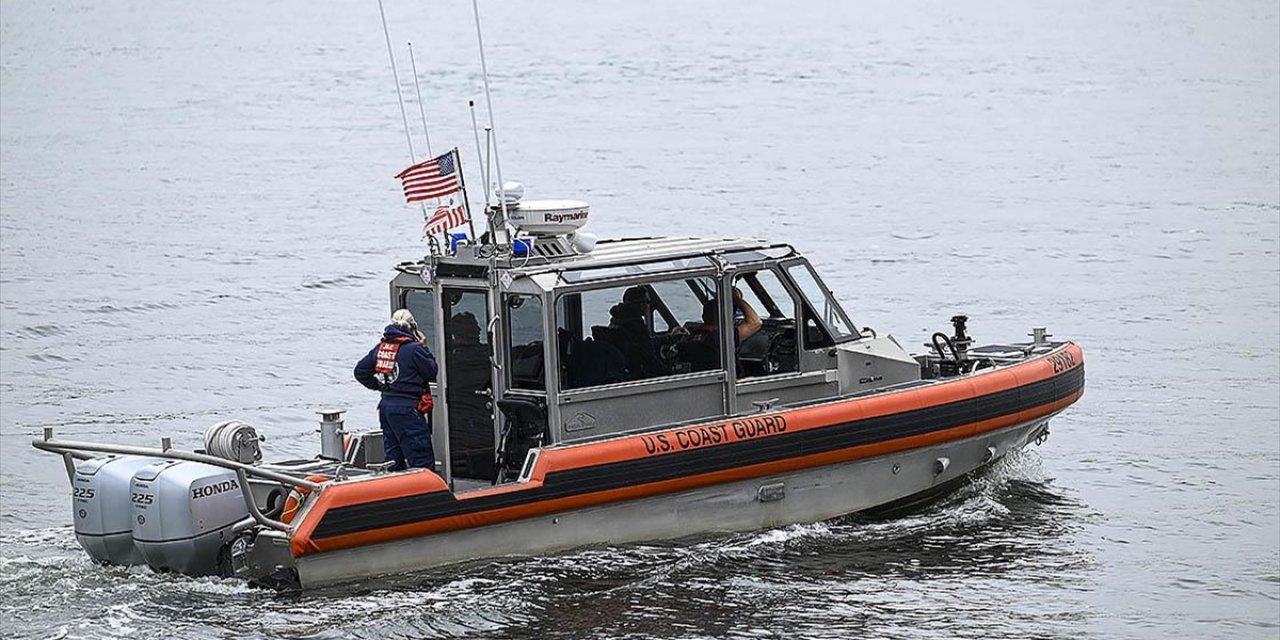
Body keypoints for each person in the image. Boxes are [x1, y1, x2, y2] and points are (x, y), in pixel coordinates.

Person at [354, 309, 438, 472]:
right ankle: (425, 494)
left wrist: (381, 386)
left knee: (393, 456)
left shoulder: (380, 348)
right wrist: (425, 348)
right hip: (408, 409)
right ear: (413, 328)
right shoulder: (414, 349)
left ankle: (397, 493)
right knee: (420, 458)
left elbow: (360, 372)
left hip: (386, 407)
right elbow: (432, 372)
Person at [680, 287, 762, 372]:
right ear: (726, 318)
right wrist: (737, 299)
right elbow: (755, 322)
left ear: (703, 316)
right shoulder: (720, 338)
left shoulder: (693, 336)